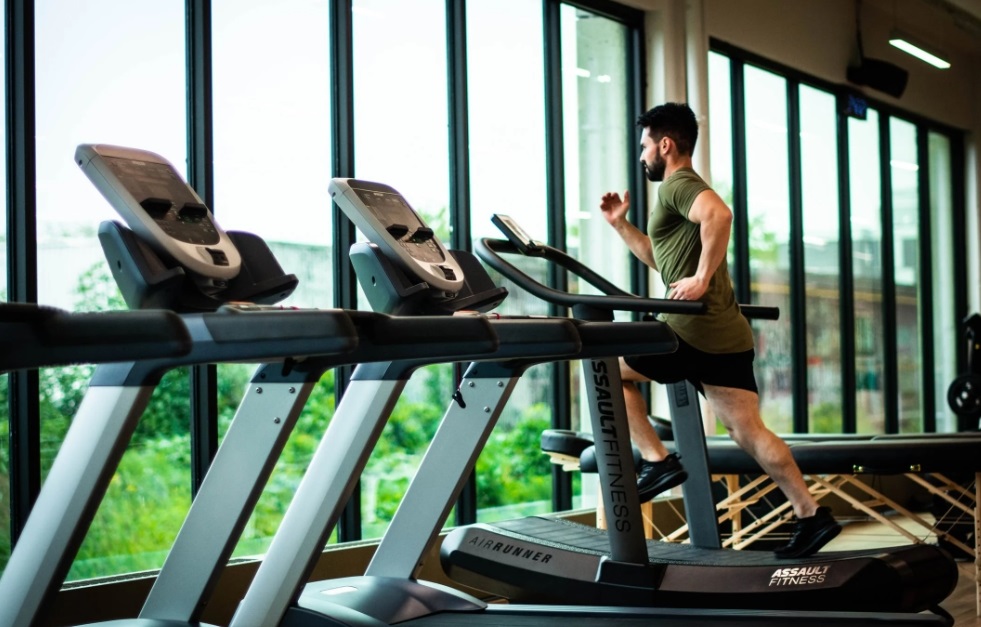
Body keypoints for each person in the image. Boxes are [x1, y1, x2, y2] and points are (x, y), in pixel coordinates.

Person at [599, 102, 840, 559]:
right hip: (725, 334)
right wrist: (621, 225)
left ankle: (657, 461)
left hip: (688, 330)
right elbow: (661, 259)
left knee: (606, 368)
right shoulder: (679, 193)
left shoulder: (679, 185)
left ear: (664, 145)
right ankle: (811, 514)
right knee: (748, 431)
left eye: (645, 146)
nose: (642, 156)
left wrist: (702, 279)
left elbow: (721, 216)